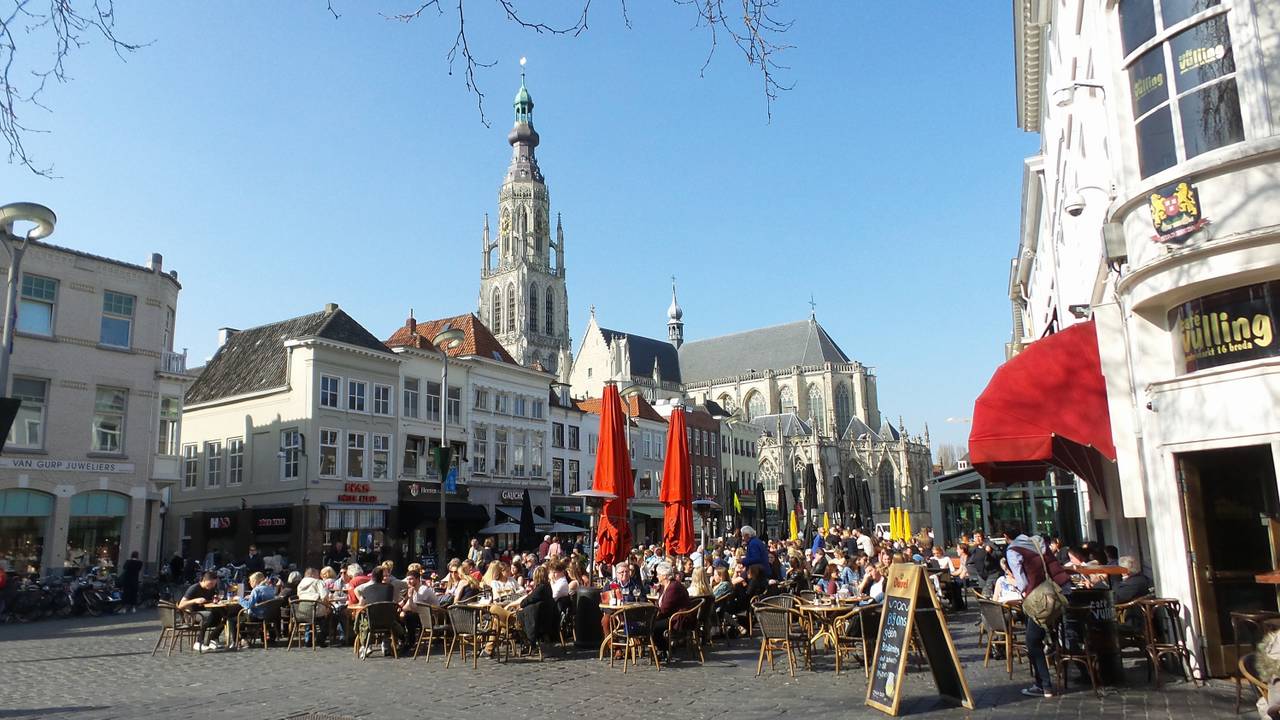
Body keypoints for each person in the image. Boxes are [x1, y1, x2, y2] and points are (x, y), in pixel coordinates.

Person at [1006, 528, 1072, 699]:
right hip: (1059, 593)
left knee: (1032, 641)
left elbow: (1022, 581)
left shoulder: (1013, 550)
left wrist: (1014, 583)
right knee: (1057, 634)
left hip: (1040, 600)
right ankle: (1076, 671)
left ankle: (1044, 685)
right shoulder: (1038, 541)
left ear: (1006, 537)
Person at [179, 571, 226, 652]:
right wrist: (195, 600)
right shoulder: (194, 588)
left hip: (205, 612)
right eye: (210, 584)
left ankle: (213, 639)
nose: (212, 586)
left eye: (214, 584)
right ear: (204, 580)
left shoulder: (211, 589)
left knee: (224, 615)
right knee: (207, 615)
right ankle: (198, 642)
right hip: (191, 614)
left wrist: (216, 600)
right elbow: (180, 605)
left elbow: (210, 600)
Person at [652, 562, 691, 658]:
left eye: (658, 574)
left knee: (653, 626)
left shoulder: (673, 587)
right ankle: (662, 648)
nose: (657, 576)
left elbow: (665, 609)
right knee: (649, 624)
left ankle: (664, 649)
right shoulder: (664, 586)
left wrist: (652, 616)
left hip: (678, 619)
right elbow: (660, 605)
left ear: (664, 576)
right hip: (669, 616)